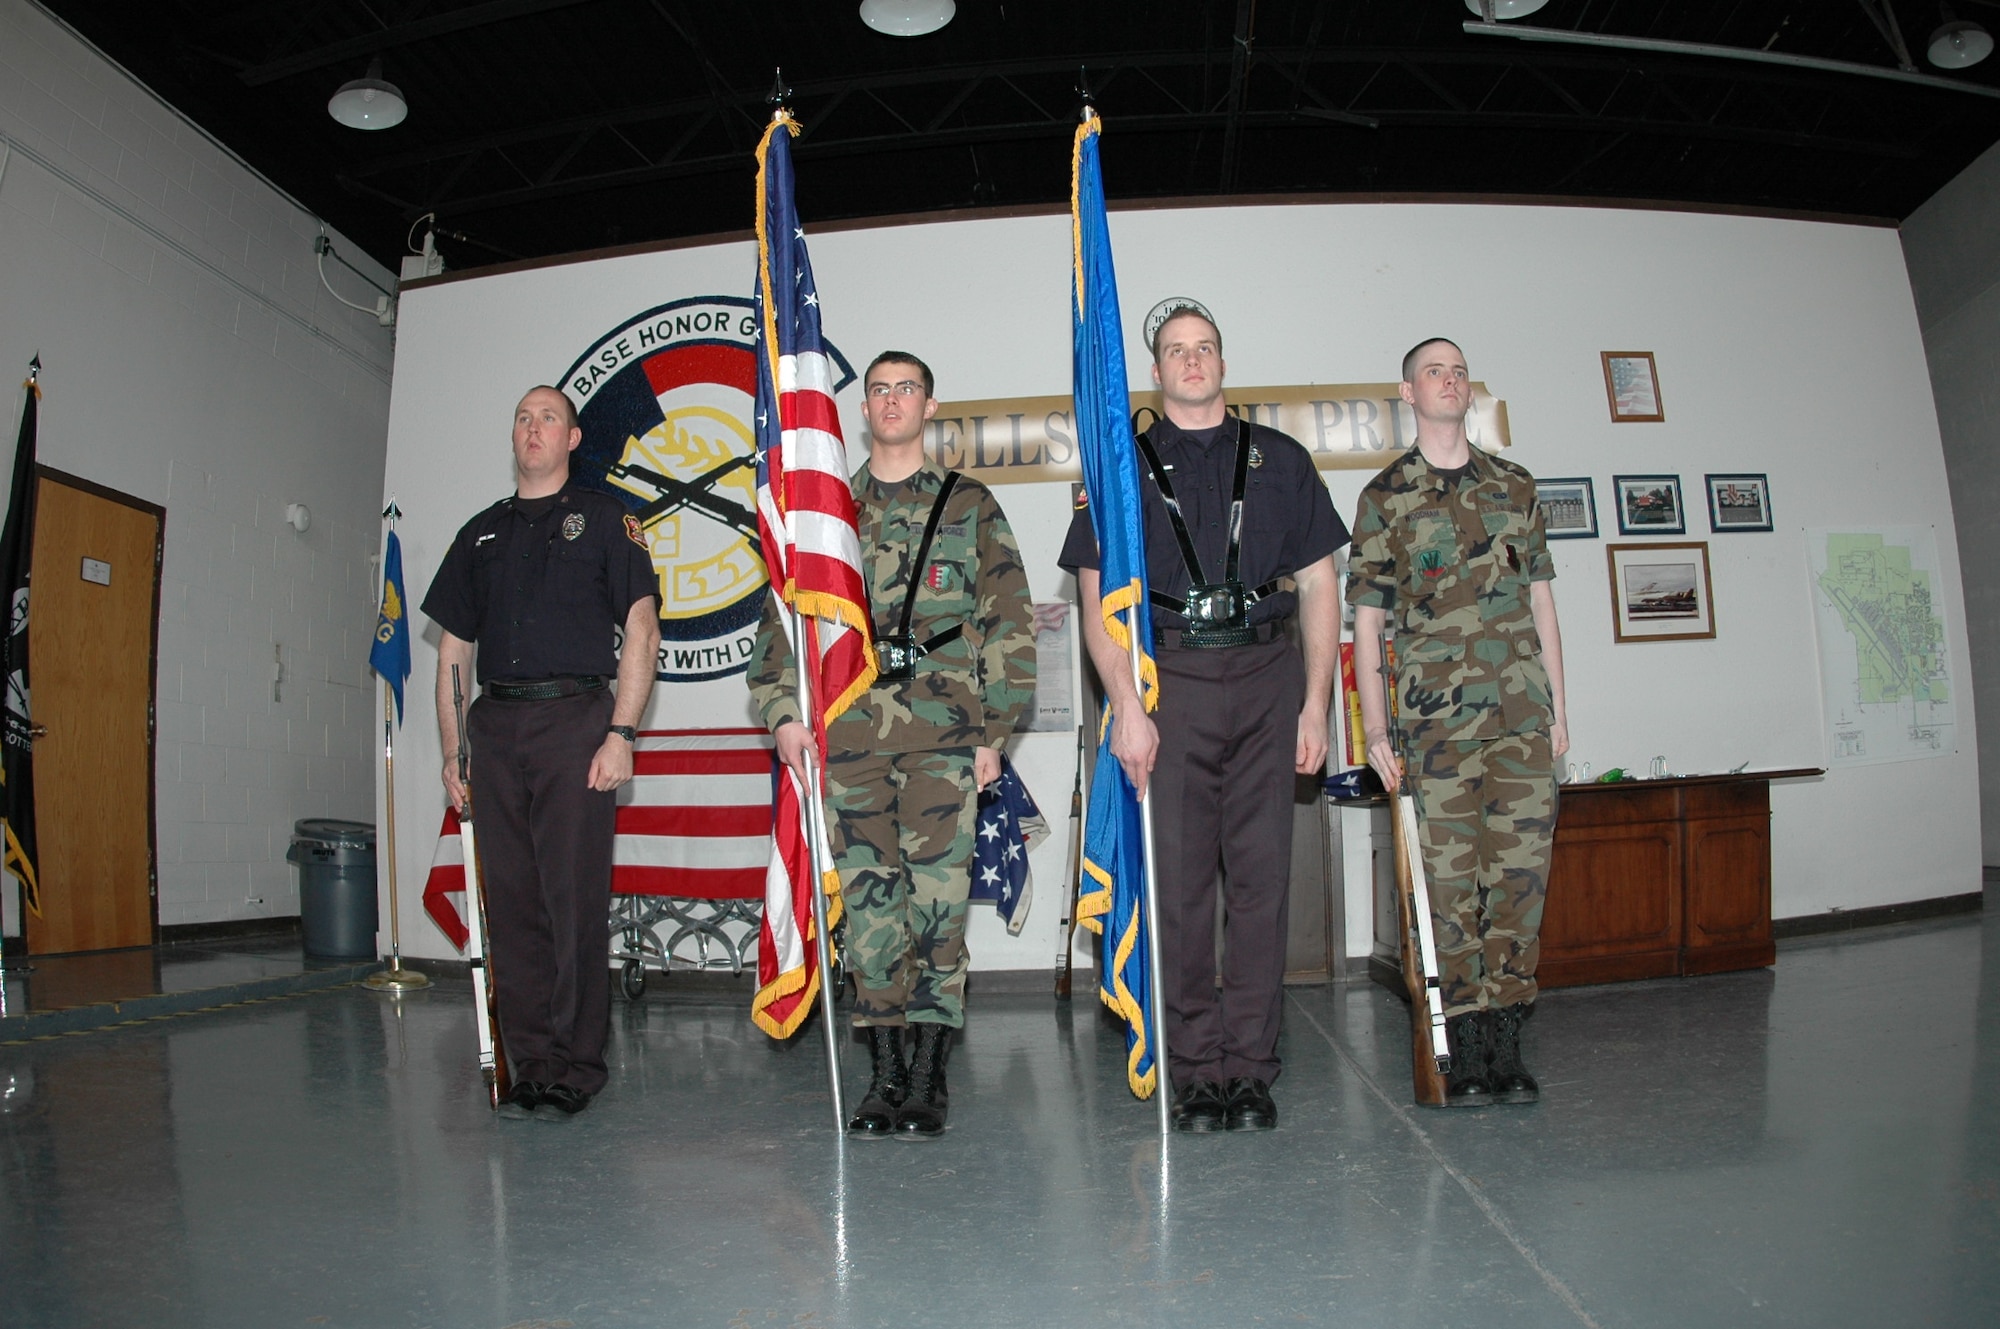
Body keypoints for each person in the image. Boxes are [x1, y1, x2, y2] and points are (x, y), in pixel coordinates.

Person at [1058, 300, 1345, 1133]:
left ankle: (1251, 1070)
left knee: (1261, 888)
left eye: (1205, 347)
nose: (1193, 361)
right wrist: (1125, 704)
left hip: (1266, 675)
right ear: (1155, 369)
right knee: (1179, 890)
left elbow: (1322, 585)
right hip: (1169, 680)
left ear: (1224, 360)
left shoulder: (1283, 460)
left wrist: (1315, 704)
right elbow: (1093, 595)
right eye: (1177, 350)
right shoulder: (1121, 467)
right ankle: (1193, 1070)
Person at [748, 350, 1035, 1138]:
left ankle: (931, 1076)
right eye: (878, 389)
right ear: (862, 407)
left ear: (930, 405)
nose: (891, 400)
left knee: (939, 913)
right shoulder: (825, 515)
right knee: (872, 914)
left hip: (945, 741)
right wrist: (782, 716)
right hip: (848, 743)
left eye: (906, 388)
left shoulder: (970, 504)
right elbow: (780, 628)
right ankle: (884, 1075)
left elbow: (1007, 621)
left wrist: (996, 733)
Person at [423, 385, 661, 1118]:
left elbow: (643, 630)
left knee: (574, 901)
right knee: (514, 905)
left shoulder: (603, 521)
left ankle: (576, 1065)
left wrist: (621, 733)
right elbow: (454, 655)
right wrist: (453, 749)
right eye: (523, 418)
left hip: (574, 725)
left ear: (573, 436)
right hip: (495, 729)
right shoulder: (480, 535)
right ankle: (530, 1062)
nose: (533, 428)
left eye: (547, 418)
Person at [1348, 338, 1570, 1108]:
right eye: (1434, 371)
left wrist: (1560, 712)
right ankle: (1465, 1044)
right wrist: (1373, 731)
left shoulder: (1514, 485)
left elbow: (1542, 600)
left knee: (1517, 885)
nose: (1450, 379)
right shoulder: (1386, 496)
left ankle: (1507, 1043)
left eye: (1459, 370)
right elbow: (1368, 623)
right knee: (1447, 890)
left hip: (1520, 724)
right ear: (1407, 391)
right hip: (1433, 729)